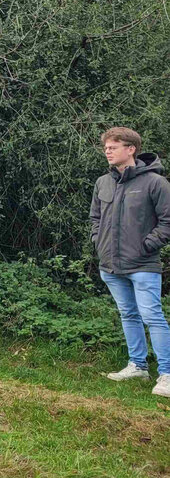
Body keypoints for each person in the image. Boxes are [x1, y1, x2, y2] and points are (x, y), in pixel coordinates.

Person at [90, 127, 170, 397]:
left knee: (153, 317)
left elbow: (167, 222)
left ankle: (167, 373)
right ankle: (137, 365)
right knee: (129, 315)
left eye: (114, 146)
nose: (108, 151)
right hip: (111, 266)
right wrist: (97, 242)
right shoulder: (103, 182)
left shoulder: (155, 183)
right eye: (106, 147)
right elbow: (95, 219)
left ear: (131, 149)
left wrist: (146, 246)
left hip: (143, 265)